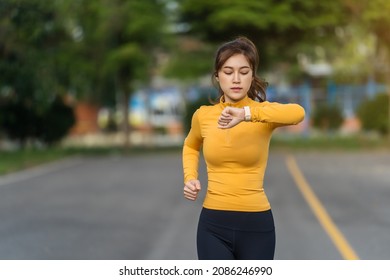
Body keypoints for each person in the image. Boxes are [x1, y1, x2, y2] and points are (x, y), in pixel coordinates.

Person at [182, 36, 305, 260]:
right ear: (217, 76)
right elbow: (190, 145)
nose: (236, 79)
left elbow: (298, 113)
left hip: (257, 226)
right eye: (228, 72)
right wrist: (190, 177)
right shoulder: (203, 115)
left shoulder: (262, 114)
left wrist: (247, 114)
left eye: (244, 71)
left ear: (252, 75)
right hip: (213, 226)